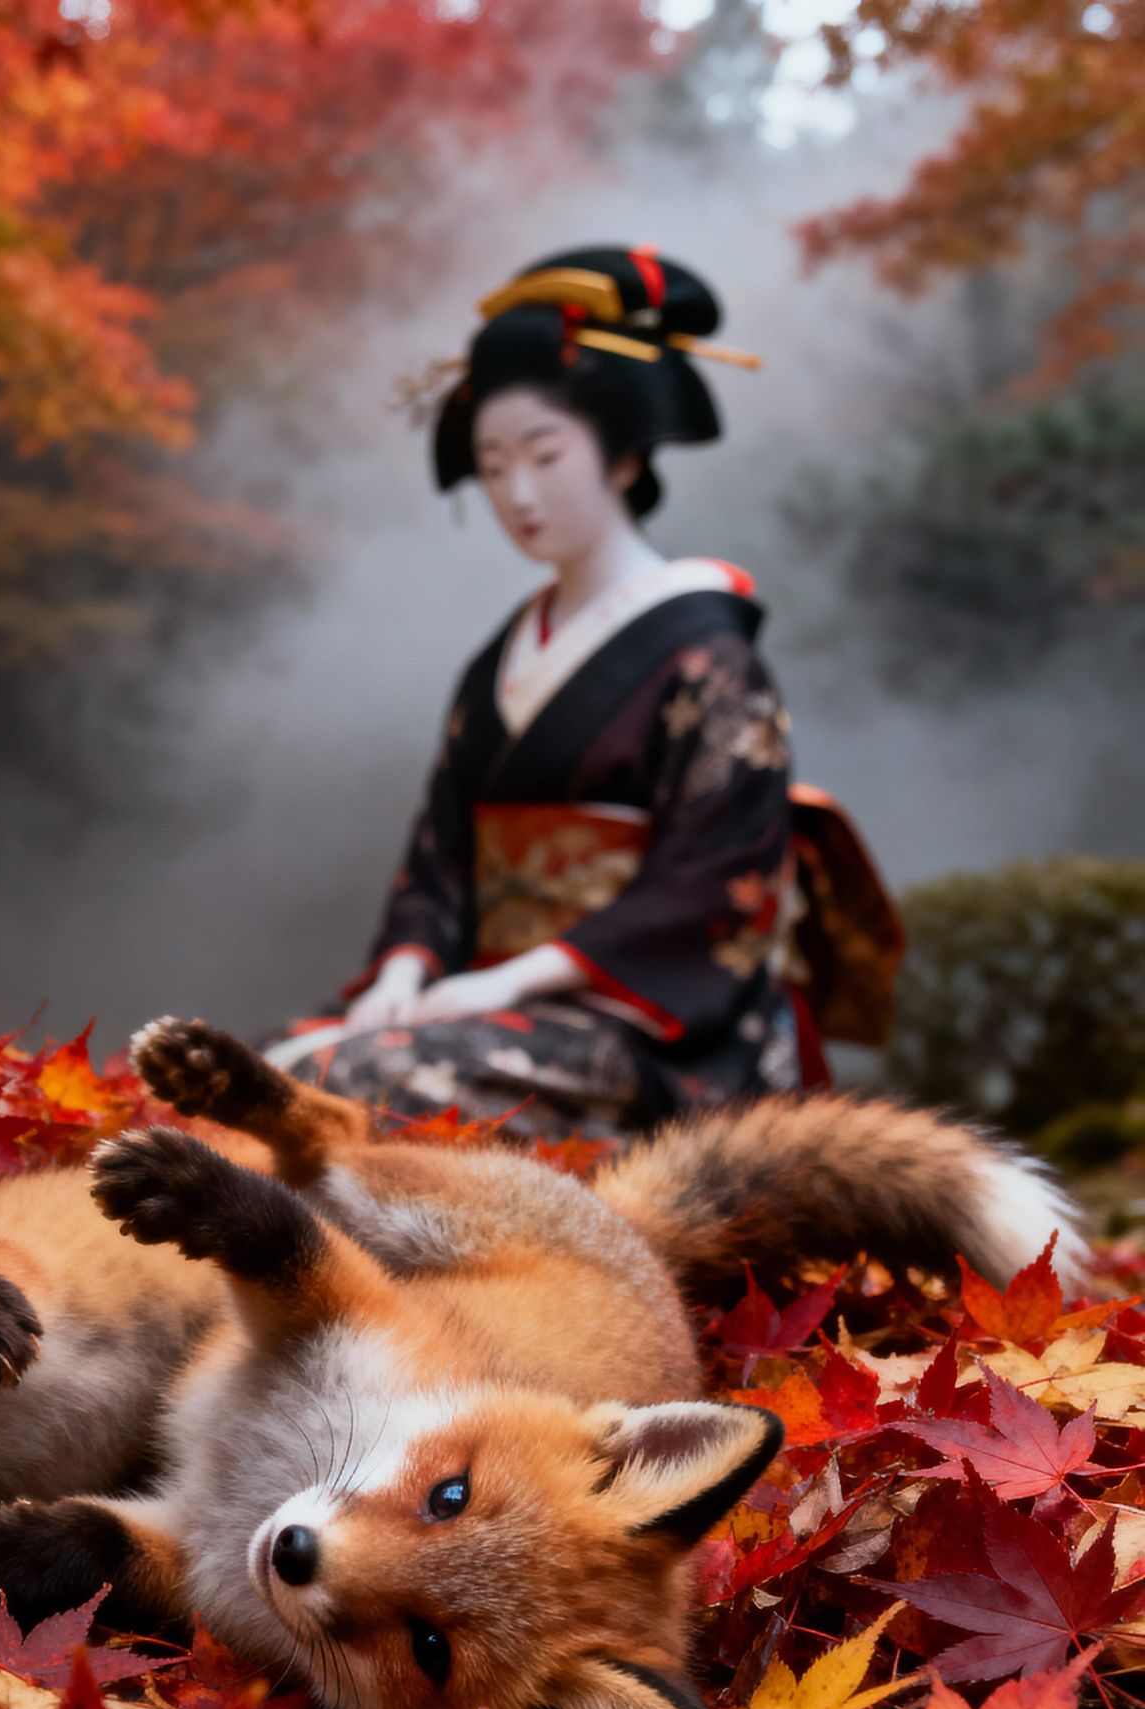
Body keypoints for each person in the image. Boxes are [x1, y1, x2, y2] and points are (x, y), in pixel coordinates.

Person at [267, 245, 901, 1139]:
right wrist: (405, 972)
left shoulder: (710, 659)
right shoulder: (497, 665)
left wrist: (514, 980)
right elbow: (440, 860)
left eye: (545, 455)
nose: (517, 493)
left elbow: (711, 887)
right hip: (480, 1003)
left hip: (648, 1035)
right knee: (258, 1072)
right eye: (493, 467)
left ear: (625, 457)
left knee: (363, 1085)